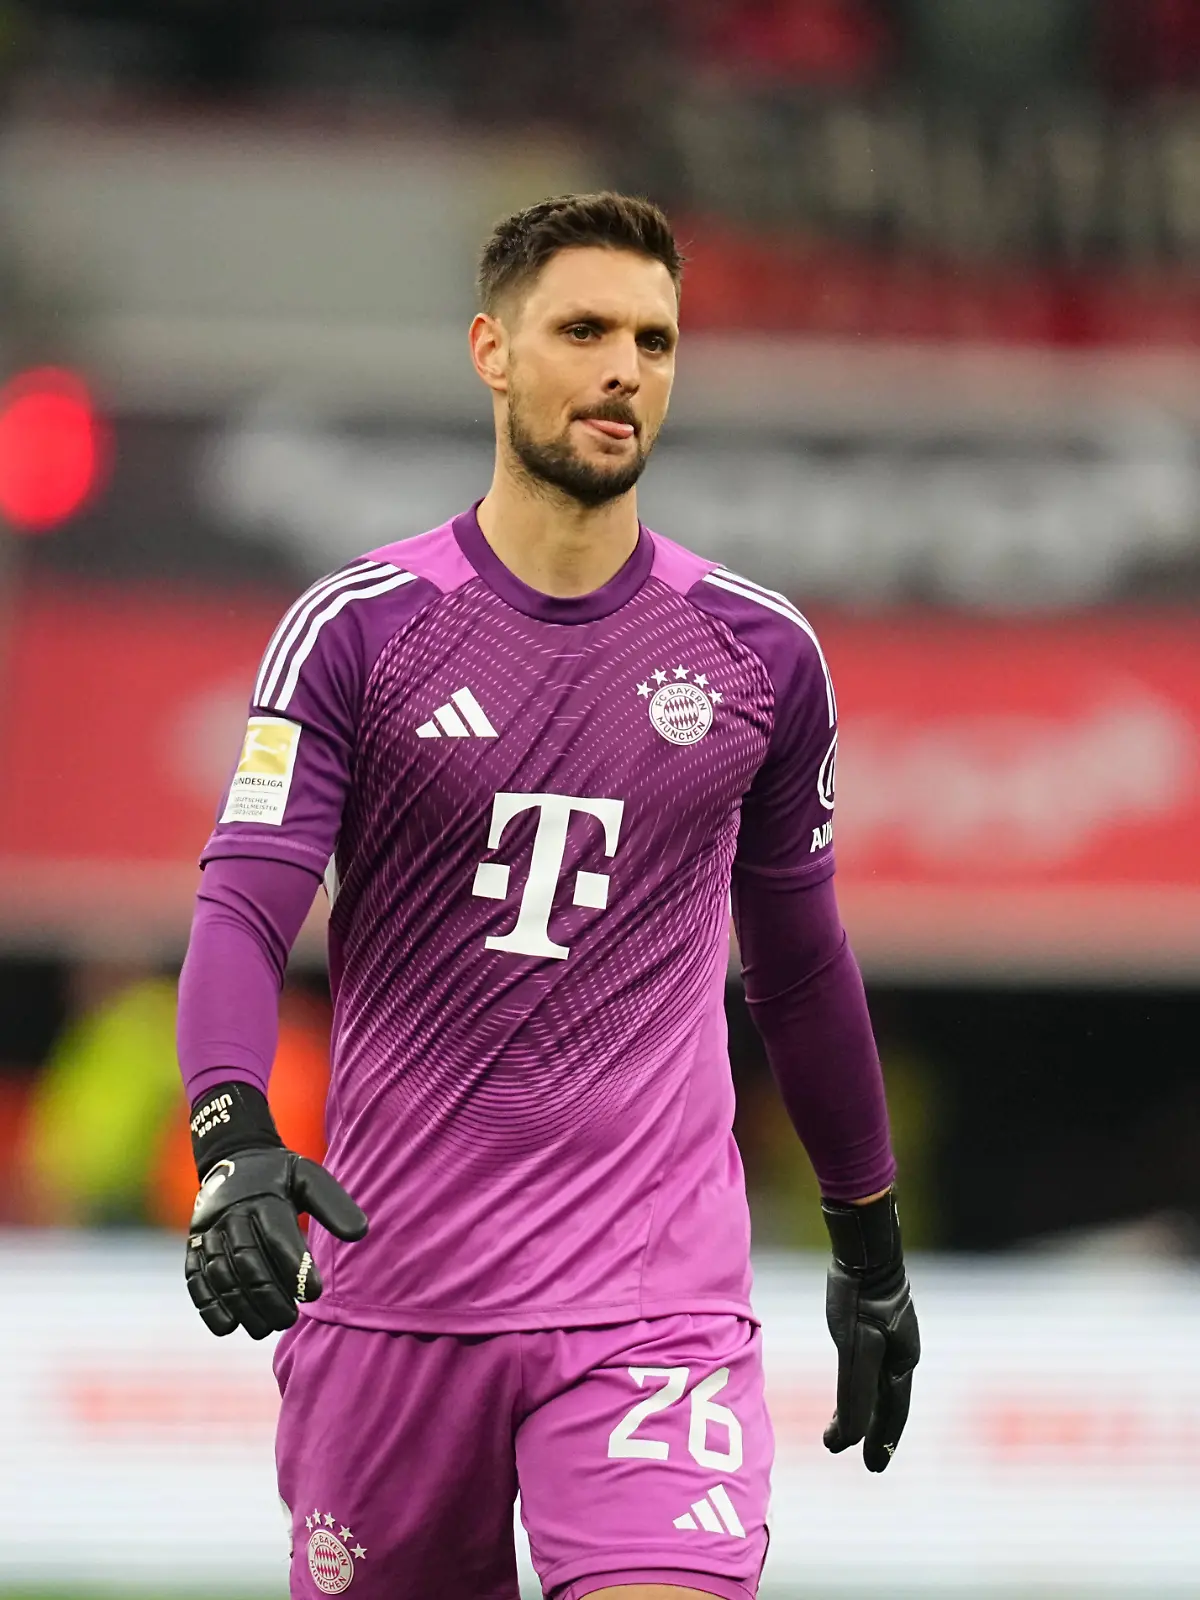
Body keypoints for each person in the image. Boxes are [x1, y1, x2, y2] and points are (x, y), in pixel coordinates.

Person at [177, 192, 919, 1600]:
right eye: (583, 331)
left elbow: (802, 967)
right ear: (491, 351)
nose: (624, 368)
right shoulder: (358, 631)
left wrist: (868, 1244)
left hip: (651, 1312)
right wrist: (231, 1132)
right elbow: (246, 906)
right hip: (396, 1296)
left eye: (655, 339)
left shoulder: (758, 654)